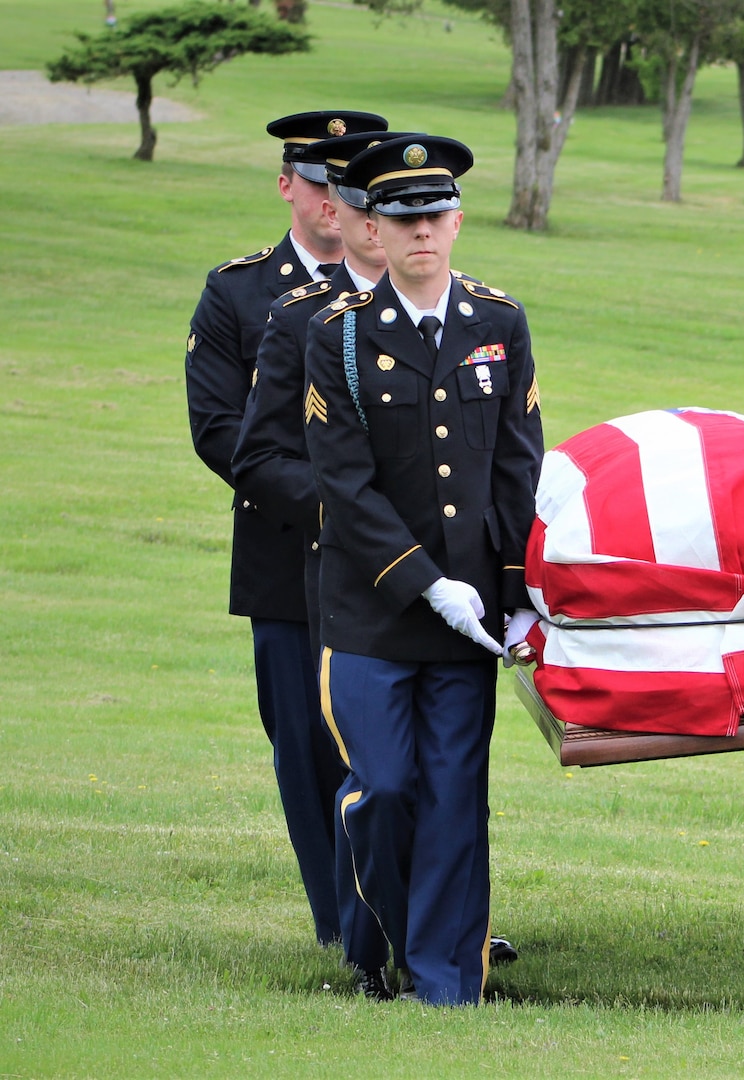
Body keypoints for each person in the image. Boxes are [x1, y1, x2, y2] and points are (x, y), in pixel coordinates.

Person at [303, 135, 542, 1006]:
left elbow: (517, 464)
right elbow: (345, 482)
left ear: (458, 220)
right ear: (372, 226)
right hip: (373, 612)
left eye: (435, 216)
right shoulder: (339, 336)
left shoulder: (497, 321)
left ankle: (446, 984)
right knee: (386, 789)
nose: (421, 234)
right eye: (401, 219)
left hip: (472, 613)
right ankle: (381, 940)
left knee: (451, 797)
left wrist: (517, 596)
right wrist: (422, 579)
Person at [185, 109, 387, 949]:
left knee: (385, 751)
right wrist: (341, 505)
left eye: (348, 185)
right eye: (316, 183)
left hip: (389, 566)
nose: (331, 201)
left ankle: (397, 918)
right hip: (285, 557)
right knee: (306, 749)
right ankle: (343, 928)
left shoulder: (406, 281)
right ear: (288, 188)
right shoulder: (240, 291)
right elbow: (221, 433)